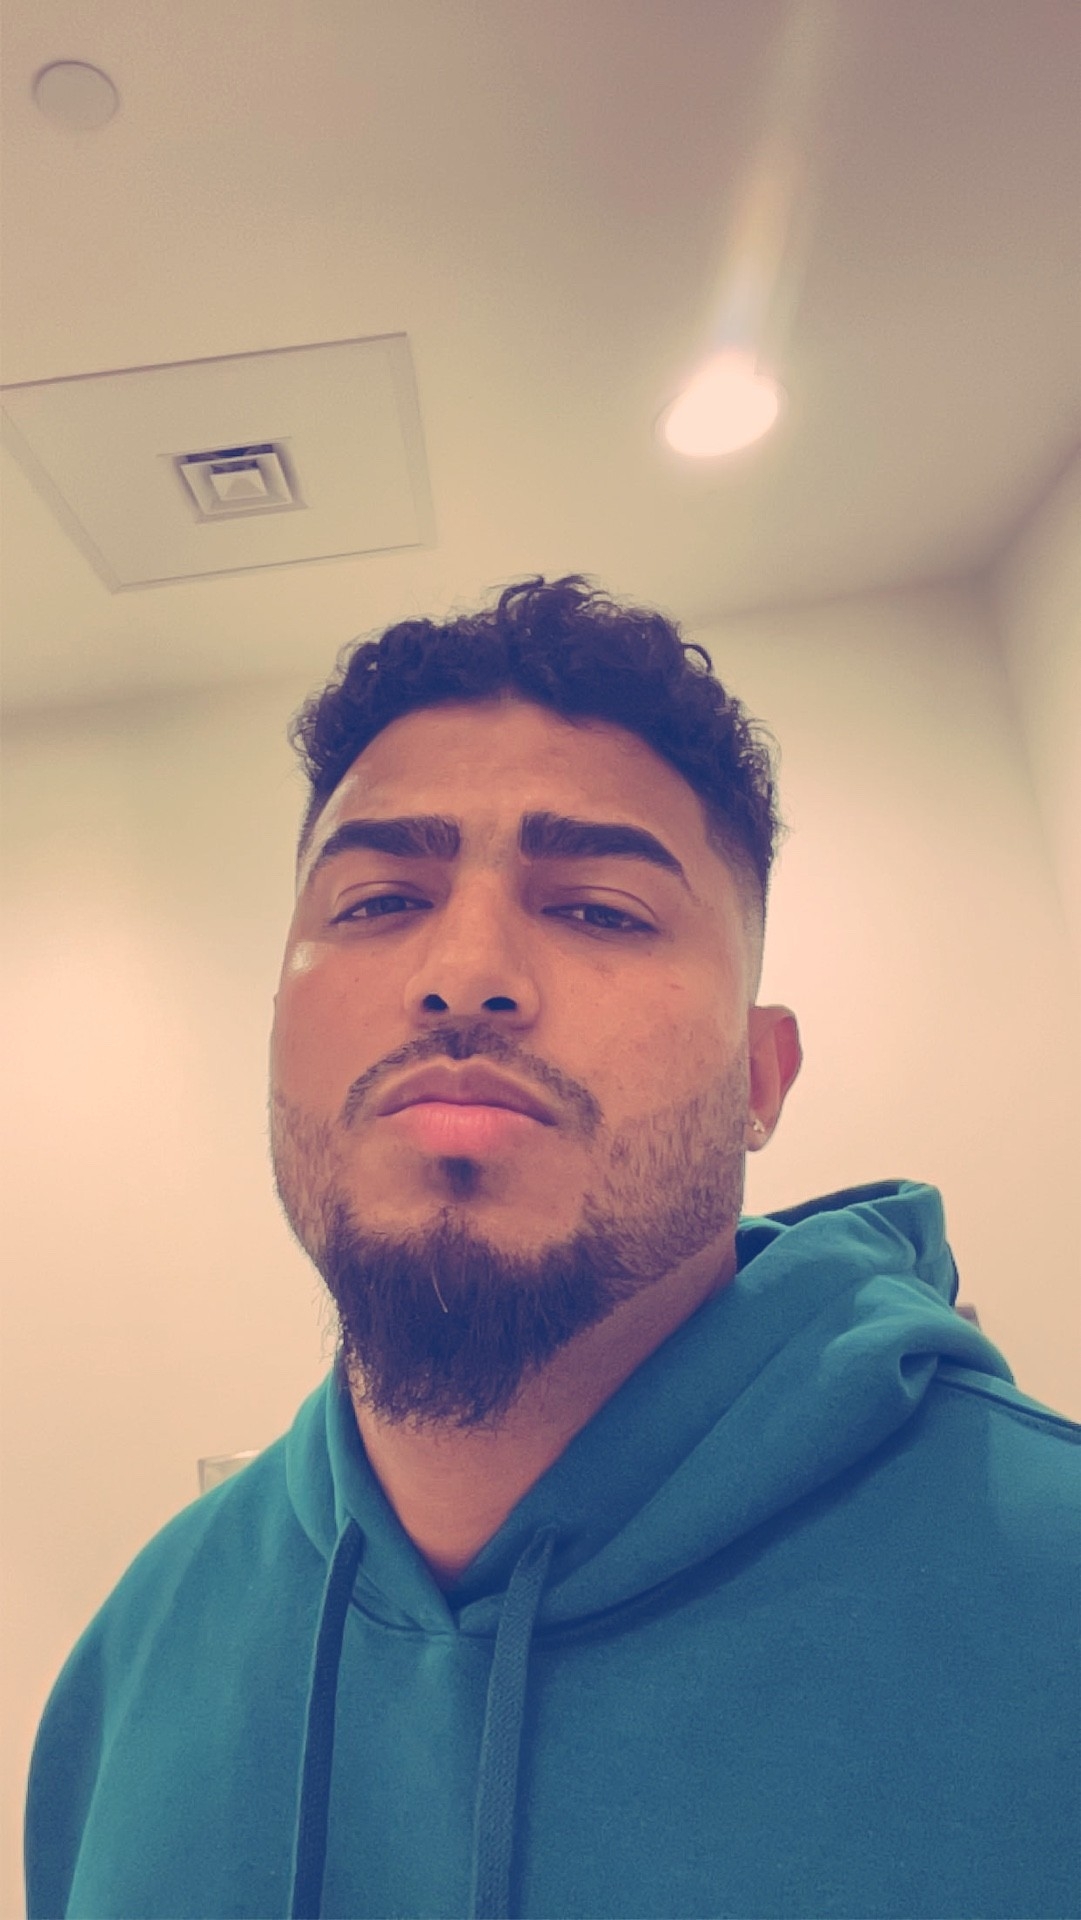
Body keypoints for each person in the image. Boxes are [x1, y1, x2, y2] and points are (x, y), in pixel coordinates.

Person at [24, 576, 1080, 1920]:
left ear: (759, 1078)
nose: (463, 970)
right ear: (278, 1029)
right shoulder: (130, 1660)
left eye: (599, 909)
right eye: (376, 900)